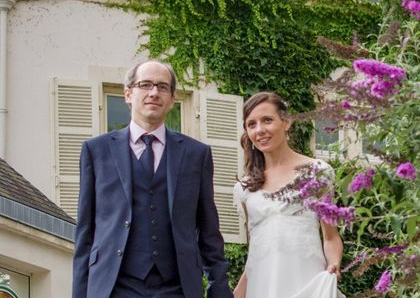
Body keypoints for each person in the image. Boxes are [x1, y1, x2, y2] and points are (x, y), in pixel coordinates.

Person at [72, 60, 233, 298]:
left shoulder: (196, 154)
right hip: (114, 287)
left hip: (176, 288)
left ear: (172, 99)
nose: (154, 93)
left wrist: (219, 290)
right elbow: (85, 233)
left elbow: (209, 232)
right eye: (145, 85)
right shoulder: (96, 151)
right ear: (128, 94)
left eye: (162, 87)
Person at [233, 92, 345, 298]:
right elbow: (256, 248)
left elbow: (330, 236)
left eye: (267, 120)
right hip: (263, 286)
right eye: (251, 124)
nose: (260, 130)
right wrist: (240, 290)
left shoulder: (317, 172)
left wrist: (334, 264)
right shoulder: (245, 188)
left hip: (306, 281)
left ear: (286, 122)